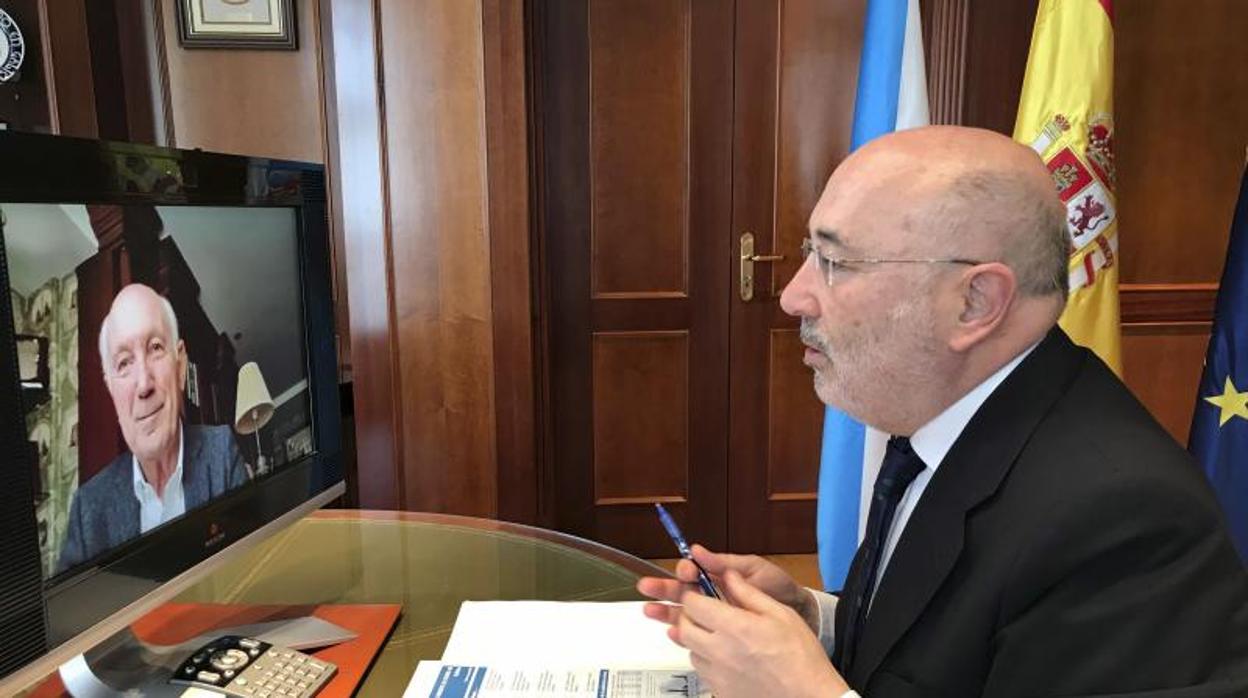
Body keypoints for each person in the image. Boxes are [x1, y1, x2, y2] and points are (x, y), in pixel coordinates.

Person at [638, 126, 1248, 697]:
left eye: (836, 262)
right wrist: (818, 621)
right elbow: (958, 633)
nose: (794, 294)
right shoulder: (949, 413)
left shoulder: (1125, 523)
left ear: (975, 302)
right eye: (808, 252)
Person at [58, 284, 248, 572]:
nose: (144, 384)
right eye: (124, 363)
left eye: (155, 348)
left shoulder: (221, 452)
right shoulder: (88, 510)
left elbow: (251, 570)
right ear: (111, 388)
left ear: (181, 365)